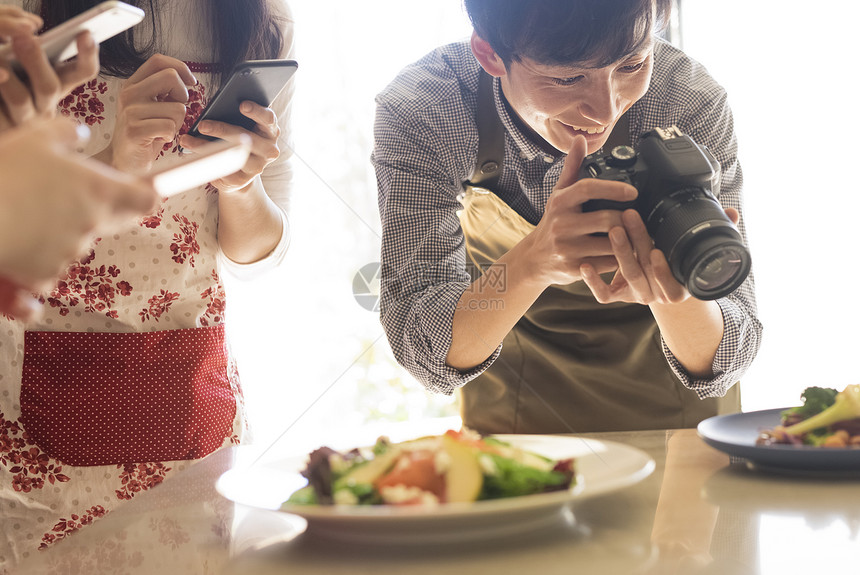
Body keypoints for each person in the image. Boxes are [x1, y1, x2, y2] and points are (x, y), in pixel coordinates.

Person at [373, 0, 762, 434]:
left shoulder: (684, 101)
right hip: (519, 414)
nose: (605, 109)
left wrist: (675, 294)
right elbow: (422, 348)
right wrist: (533, 262)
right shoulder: (429, 108)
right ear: (489, 54)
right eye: (568, 78)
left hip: (680, 422)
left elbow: (734, 350)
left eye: (632, 64)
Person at [0, 0, 294, 566]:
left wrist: (238, 184)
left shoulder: (264, 17)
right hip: (34, 414)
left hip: (189, 395)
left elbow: (258, 258)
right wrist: (116, 160)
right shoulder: (24, 14)